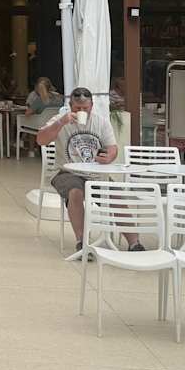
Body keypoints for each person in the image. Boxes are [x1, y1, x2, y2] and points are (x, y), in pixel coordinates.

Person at [36, 87, 136, 251]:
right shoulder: (60, 120)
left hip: (96, 173)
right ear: (70, 106)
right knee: (75, 192)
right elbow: (41, 140)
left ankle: (134, 243)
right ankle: (82, 243)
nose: (81, 111)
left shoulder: (101, 122)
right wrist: (61, 122)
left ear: (92, 106)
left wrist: (109, 157)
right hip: (66, 172)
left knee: (116, 196)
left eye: (85, 108)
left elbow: (112, 148)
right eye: (77, 108)